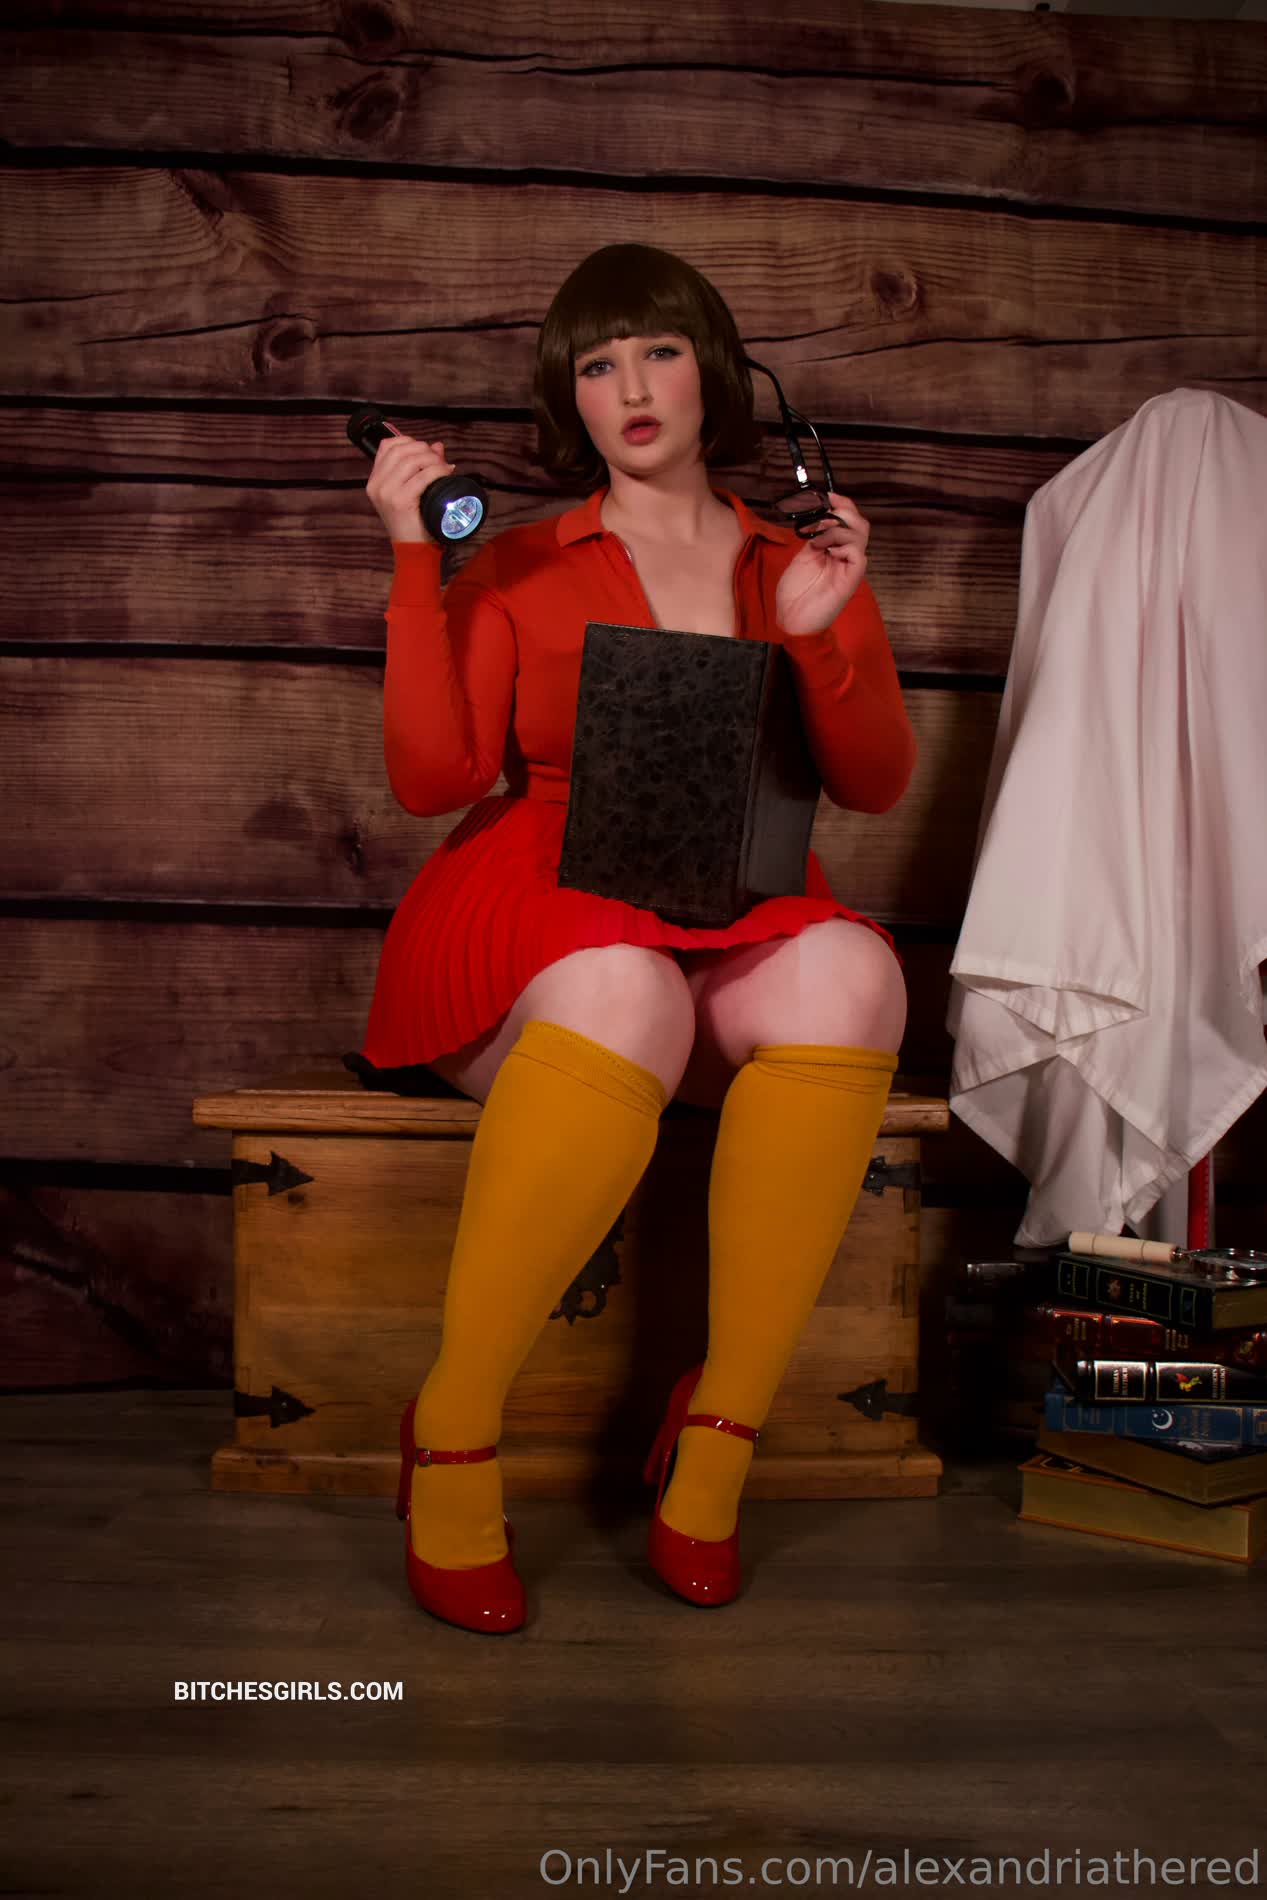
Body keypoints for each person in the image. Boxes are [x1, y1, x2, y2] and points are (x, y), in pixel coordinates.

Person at [356, 242, 917, 1634]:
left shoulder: (796, 561)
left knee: (857, 973)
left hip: (730, 899)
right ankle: (452, 1429)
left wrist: (820, 636)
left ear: (711, 370)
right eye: (598, 364)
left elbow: (875, 782)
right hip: (538, 901)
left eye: (658, 351)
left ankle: (717, 1436)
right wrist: (418, 560)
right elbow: (432, 780)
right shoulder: (518, 562)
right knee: (627, 993)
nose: (633, 387)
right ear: (573, 397)